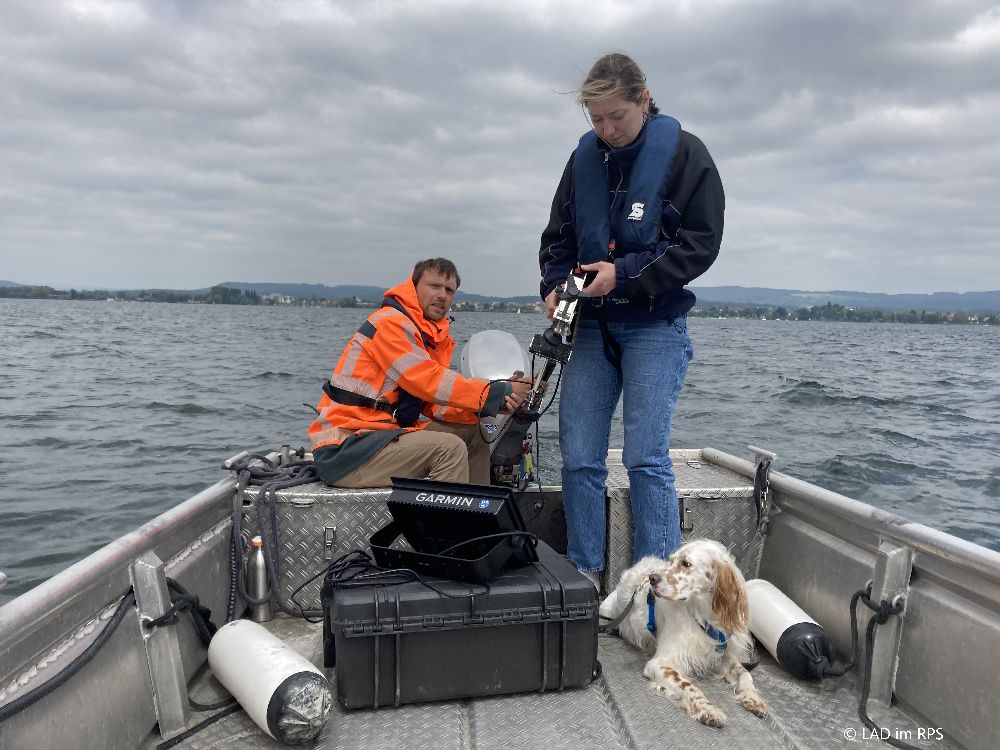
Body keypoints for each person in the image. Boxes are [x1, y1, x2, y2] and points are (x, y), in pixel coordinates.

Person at [538, 53, 724, 584]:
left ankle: (657, 587)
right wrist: (554, 287)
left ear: (644, 99)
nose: (606, 129)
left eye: (615, 116)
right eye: (595, 119)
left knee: (646, 459)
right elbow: (557, 238)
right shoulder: (583, 162)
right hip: (592, 329)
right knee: (577, 458)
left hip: (655, 327)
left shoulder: (688, 156)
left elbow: (700, 245)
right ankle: (584, 576)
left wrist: (624, 274)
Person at [308, 258, 532, 488]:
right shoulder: (390, 324)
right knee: (449, 448)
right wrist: (495, 392)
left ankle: (480, 516)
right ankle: (450, 523)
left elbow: (435, 404)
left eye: (449, 290)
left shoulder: (423, 336)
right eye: (434, 286)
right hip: (347, 448)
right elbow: (428, 381)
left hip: (378, 436)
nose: (442, 295)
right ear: (414, 287)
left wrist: (498, 403)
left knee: (474, 434)